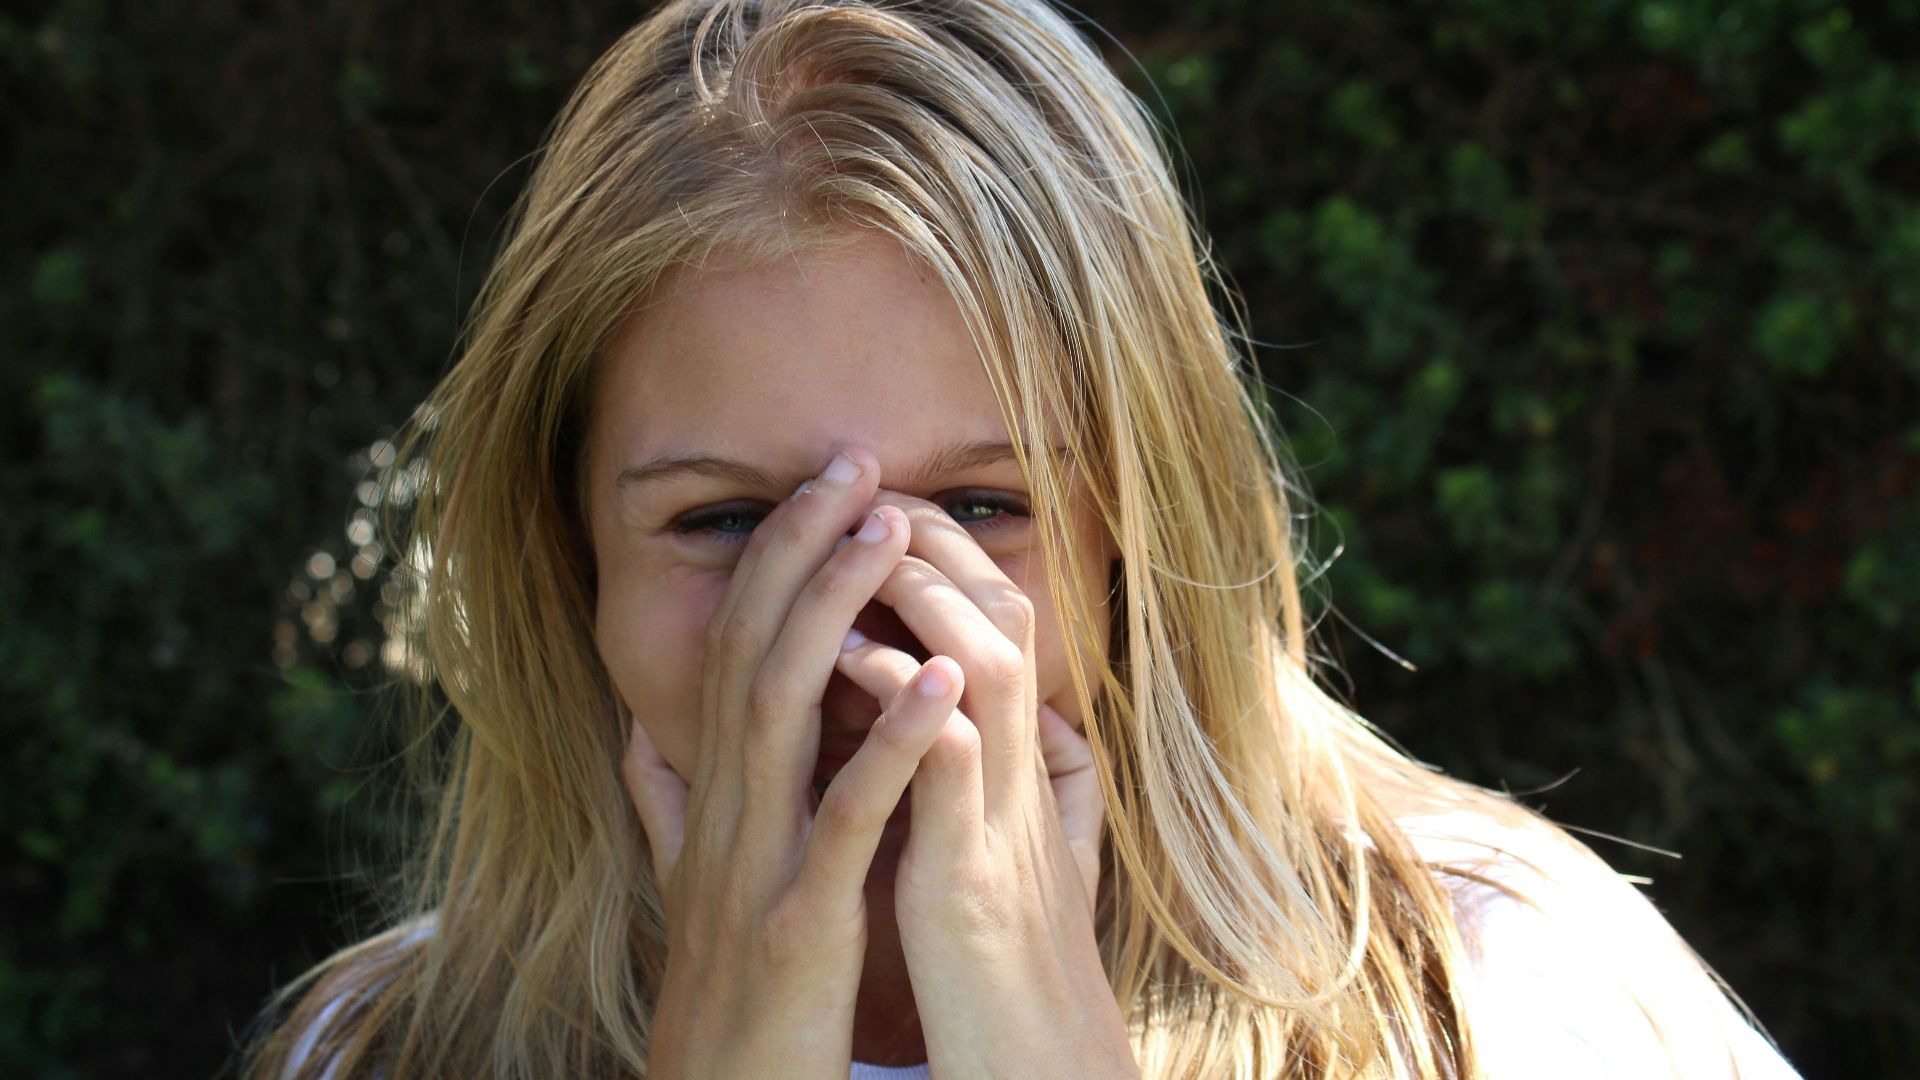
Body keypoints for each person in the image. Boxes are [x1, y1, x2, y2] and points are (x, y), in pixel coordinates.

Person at [239, 0, 1805, 1076]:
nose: (862, 628)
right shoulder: (385, 1047)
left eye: (983, 508)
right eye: (728, 524)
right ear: (566, 557)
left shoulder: (1487, 996)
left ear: (1141, 521)